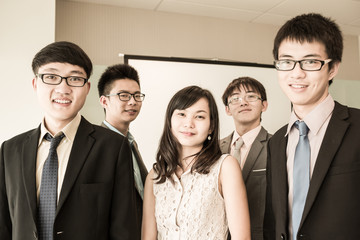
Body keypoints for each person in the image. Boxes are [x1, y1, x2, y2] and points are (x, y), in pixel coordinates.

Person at [0, 41, 139, 240]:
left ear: (87, 88)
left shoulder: (113, 147)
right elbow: (4, 225)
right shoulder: (10, 150)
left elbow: (124, 229)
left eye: (74, 78)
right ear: (35, 84)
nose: (63, 88)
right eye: (51, 77)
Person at [263, 13, 360, 240]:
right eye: (286, 61)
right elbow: (273, 220)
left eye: (310, 62)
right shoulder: (276, 142)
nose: (297, 73)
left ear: (333, 68)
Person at [142, 85, 251, 240]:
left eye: (199, 116)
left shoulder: (225, 166)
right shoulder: (155, 176)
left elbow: (242, 238)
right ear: (170, 121)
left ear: (211, 126)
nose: (189, 123)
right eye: (181, 114)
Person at [98, 63, 148, 235]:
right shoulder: (96, 146)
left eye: (136, 95)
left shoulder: (131, 142)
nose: (133, 101)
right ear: (104, 101)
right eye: (124, 95)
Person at [220, 77, 271, 240]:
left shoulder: (277, 146)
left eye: (251, 96)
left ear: (264, 105)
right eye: (235, 99)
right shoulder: (213, 149)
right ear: (227, 109)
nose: (243, 102)